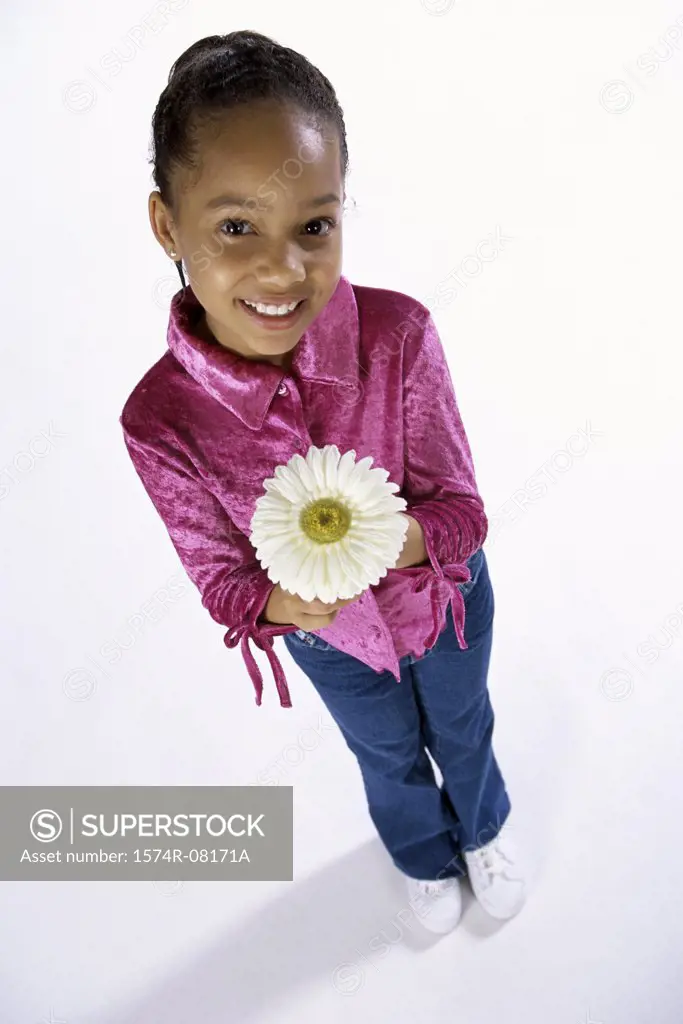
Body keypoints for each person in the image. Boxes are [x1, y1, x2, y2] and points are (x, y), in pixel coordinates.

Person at [120, 29, 526, 935]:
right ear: (166, 225)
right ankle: (421, 854)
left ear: (343, 208)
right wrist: (279, 606)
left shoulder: (401, 338)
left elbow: (463, 510)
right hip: (335, 644)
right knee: (383, 751)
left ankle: (484, 825)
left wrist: (404, 536)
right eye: (235, 227)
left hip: (448, 608)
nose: (281, 268)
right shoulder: (160, 423)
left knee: (463, 726)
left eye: (315, 224)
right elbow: (222, 581)